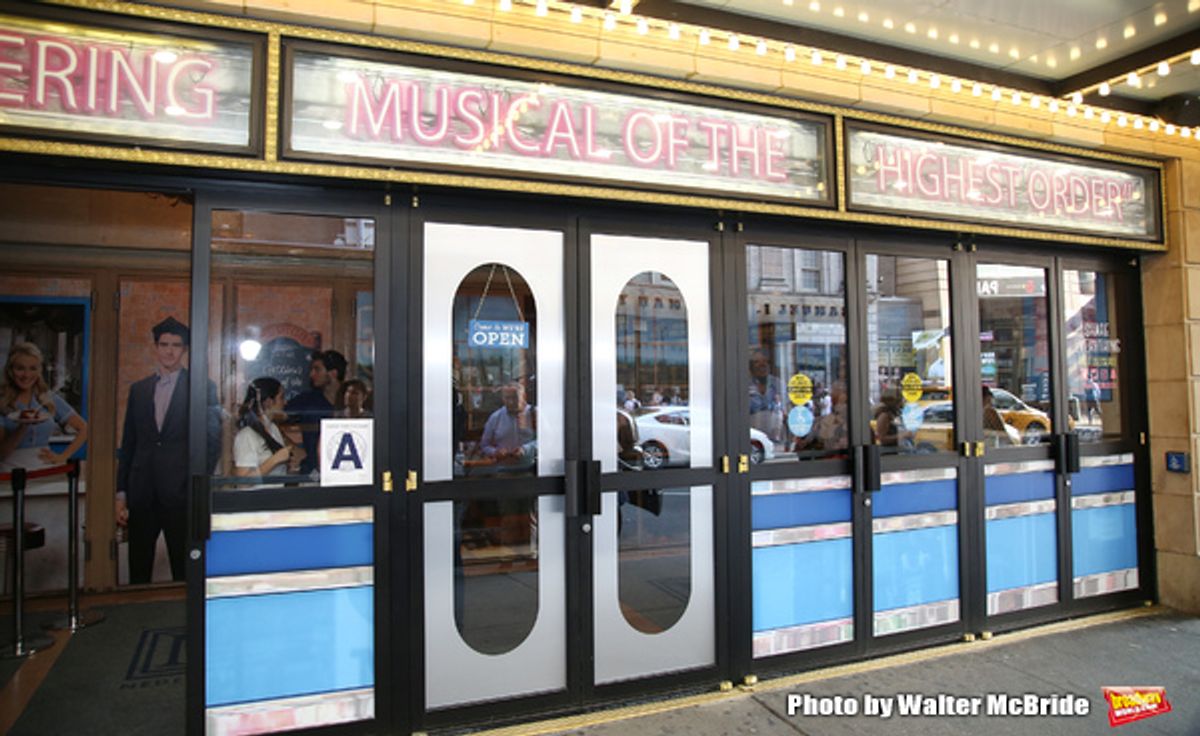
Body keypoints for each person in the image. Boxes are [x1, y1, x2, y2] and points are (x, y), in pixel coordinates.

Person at [116, 317, 220, 584]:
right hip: (142, 492)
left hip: (181, 493)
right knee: (138, 568)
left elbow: (212, 442)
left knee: (184, 570)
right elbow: (129, 444)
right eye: (164, 345)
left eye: (176, 345)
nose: (169, 351)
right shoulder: (139, 390)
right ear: (155, 347)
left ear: (184, 349)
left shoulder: (201, 387)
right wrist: (121, 493)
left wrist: (194, 485)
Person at [0, 342, 88, 471]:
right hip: (10, 473)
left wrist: (62, 457)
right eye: (20, 368)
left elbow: (84, 429)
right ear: (10, 370)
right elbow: (1, 454)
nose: (26, 375)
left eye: (33, 368)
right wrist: (23, 425)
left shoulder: (47, 398)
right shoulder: (2, 401)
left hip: (46, 472)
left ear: (39, 370)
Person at [284, 349, 347, 476]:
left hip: (348, 469)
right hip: (313, 472)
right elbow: (272, 419)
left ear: (333, 373)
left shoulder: (352, 399)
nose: (311, 374)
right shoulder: (306, 400)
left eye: (317, 369)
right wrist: (294, 448)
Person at [233, 377, 296, 480]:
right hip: (259, 496)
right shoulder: (246, 436)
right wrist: (274, 460)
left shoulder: (273, 429)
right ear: (268, 402)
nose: (285, 403)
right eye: (281, 398)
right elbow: (243, 482)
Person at [479, 383, 536, 467]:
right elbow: (484, 445)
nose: (511, 402)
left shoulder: (534, 413)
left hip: (531, 469)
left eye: (514, 397)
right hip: (502, 470)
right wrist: (495, 452)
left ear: (524, 396)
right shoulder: (495, 417)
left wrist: (525, 449)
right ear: (503, 398)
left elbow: (546, 441)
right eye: (507, 398)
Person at [748, 349, 784, 443]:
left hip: (776, 440)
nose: (761, 365)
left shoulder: (778, 384)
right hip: (752, 440)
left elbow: (785, 411)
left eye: (764, 361)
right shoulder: (744, 385)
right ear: (751, 367)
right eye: (757, 362)